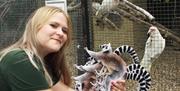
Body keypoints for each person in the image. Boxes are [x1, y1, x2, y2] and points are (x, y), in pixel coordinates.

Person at [0, 6, 126, 91]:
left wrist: (104, 86)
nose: (60, 33)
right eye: (53, 25)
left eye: (64, 30)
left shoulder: (42, 65)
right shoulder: (18, 60)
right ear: (36, 27)